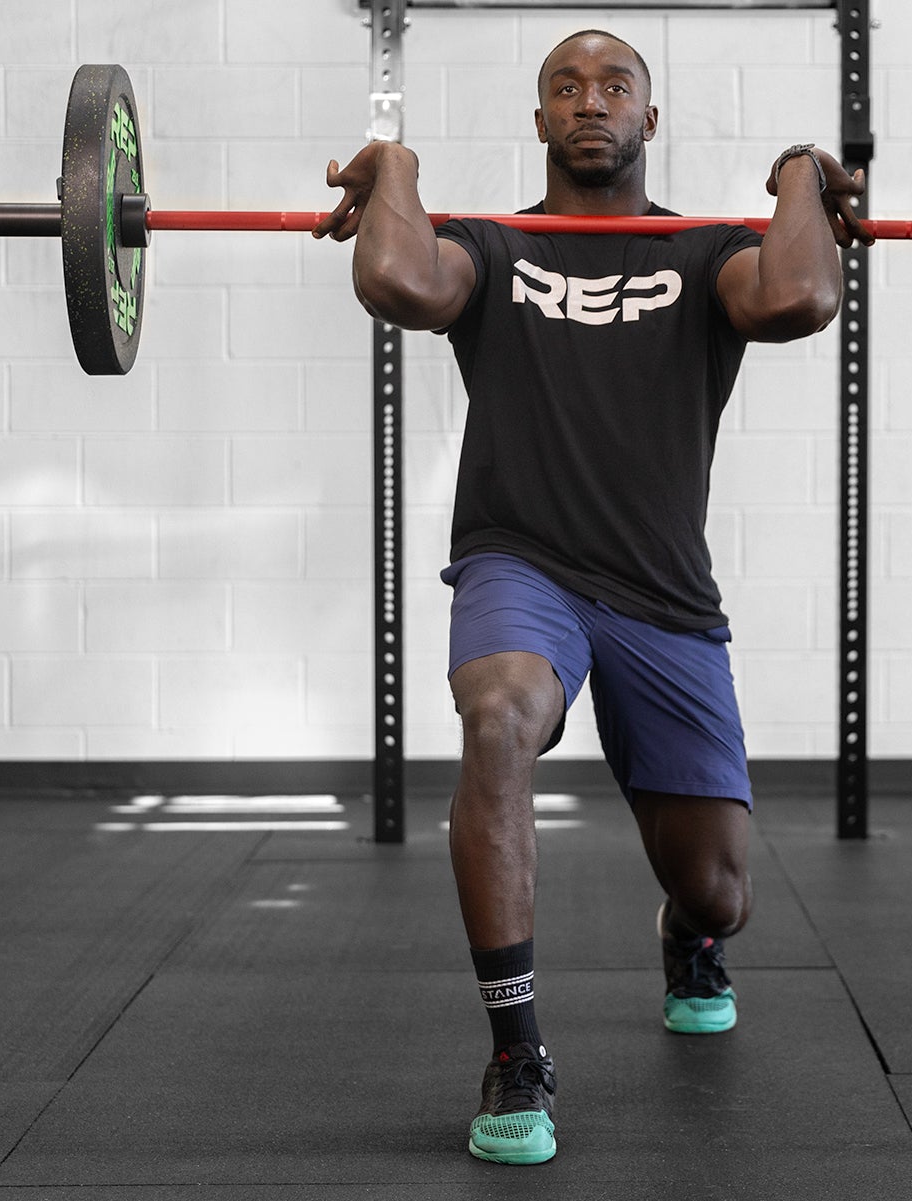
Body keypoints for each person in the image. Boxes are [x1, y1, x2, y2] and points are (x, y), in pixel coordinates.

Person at [313, 28, 868, 1166]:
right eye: (565, 87)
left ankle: (687, 936)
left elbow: (804, 295)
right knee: (499, 712)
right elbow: (395, 278)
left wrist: (802, 173)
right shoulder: (494, 246)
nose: (590, 102)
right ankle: (517, 1050)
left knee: (720, 892)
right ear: (539, 121)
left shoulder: (711, 248)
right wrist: (397, 169)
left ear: (649, 121)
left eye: (617, 86)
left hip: (664, 596)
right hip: (525, 564)